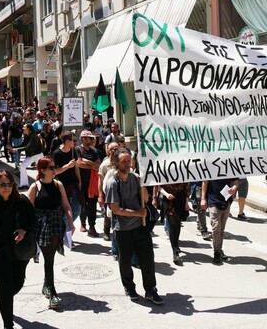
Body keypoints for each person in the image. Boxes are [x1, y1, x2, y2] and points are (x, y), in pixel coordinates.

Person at [0, 171, 37, 329]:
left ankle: (6, 301)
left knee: (17, 285)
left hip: (19, 255)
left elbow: (33, 220)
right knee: (6, 290)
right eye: (3, 184)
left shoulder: (21, 201)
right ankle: (7, 325)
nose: (7, 188)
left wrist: (24, 230)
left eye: (9, 184)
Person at [105, 148, 164, 305]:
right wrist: (138, 213)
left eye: (129, 160)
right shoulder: (112, 183)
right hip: (123, 229)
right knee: (125, 261)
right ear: (116, 163)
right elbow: (115, 209)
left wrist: (143, 186)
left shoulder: (136, 178)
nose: (127, 163)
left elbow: (145, 199)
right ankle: (129, 287)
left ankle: (151, 289)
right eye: (123, 161)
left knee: (147, 259)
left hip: (140, 227)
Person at [27, 157, 75, 309]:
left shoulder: (58, 184)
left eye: (55, 167)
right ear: (42, 170)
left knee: (50, 257)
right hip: (41, 225)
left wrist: (71, 222)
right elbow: (27, 208)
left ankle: (48, 285)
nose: (55, 170)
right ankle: (52, 291)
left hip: (55, 223)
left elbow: (66, 205)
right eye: (51, 167)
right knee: (48, 258)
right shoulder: (35, 187)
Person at [201, 178, 239, 265]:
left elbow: (236, 181)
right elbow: (205, 182)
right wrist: (203, 198)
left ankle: (219, 249)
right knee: (216, 226)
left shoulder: (229, 168)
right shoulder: (210, 167)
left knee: (221, 228)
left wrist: (234, 187)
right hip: (213, 201)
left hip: (226, 201)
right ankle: (216, 252)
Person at [155, 182, 190, 266]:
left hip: (180, 200)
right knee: (172, 224)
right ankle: (175, 250)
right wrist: (166, 195)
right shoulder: (166, 173)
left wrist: (186, 203)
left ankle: (176, 245)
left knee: (177, 224)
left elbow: (186, 190)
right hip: (169, 201)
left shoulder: (183, 175)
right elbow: (160, 187)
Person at [51, 131, 81, 225]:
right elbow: (55, 171)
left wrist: (79, 181)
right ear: (67, 141)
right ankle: (65, 232)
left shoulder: (73, 151)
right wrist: (67, 166)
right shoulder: (56, 153)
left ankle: (67, 228)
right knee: (65, 211)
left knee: (77, 210)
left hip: (74, 184)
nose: (75, 142)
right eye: (74, 140)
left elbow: (76, 167)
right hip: (63, 186)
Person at [75, 130, 101, 236]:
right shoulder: (78, 149)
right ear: (83, 139)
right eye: (90, 138)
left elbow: (98, 164)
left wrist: (88, 162)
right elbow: (79, 163)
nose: (92, 140)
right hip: (82, 182)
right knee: (83, 204)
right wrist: (92, 165)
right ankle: (83, 223)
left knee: (92, 205)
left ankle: (92, 226)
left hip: (92, 182)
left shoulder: (94, 150)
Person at [9, 123, 44, 190]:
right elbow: (23, 145)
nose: (22, 128)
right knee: (22, 166)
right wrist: (13, 148)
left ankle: (43, 185)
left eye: (24, 127)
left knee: (41, 170)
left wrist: (16, 149)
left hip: (38, 155)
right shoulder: (26, 136)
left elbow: (28, 147)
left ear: (28, 129)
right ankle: (24, 184)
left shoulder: (33, 136)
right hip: (31, 155)